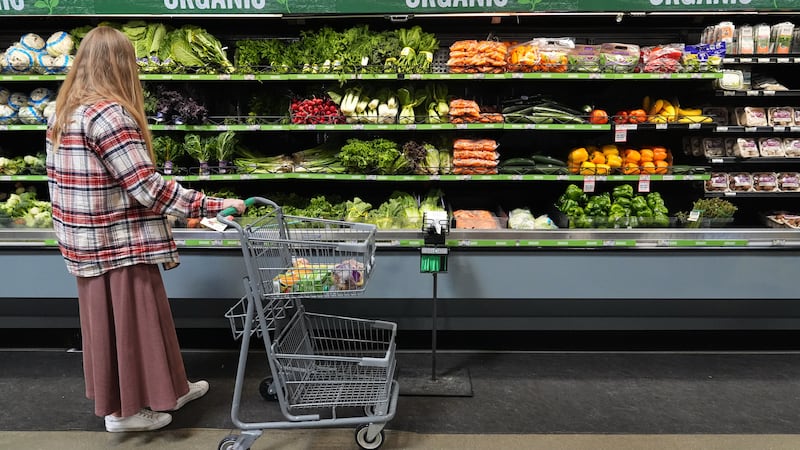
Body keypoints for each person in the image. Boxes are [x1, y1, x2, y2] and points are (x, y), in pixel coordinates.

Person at [45, 26, 245, 433]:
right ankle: (125, 413)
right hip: (117, 241)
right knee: (132, 327)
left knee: (132, 323)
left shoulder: (63, 111)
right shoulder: (109, 114)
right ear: (121, 65)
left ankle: (169, 388)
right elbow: (147, 187)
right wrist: (214, 204)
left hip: (87, 242)